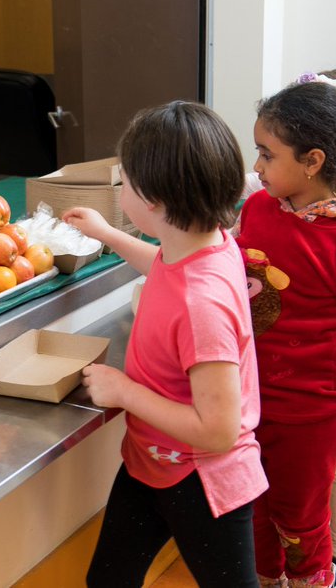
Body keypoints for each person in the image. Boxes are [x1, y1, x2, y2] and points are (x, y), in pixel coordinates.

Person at [63, 101, 267, 588]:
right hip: (151, 461)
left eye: (124, 183)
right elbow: (162, 265)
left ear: (152, 200)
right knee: (109, 579)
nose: (121, 190)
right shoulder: (206, 243)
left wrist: (123, 391)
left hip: (204, 480)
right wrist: (108, 234)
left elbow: (218, 430)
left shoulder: (204, 305)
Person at [236, 81, 336, 587]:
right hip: (246, 400)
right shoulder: (258, 210)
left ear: (312, 161)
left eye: (267, 154)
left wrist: (320, 352)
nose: (258, 166)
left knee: (301, 522)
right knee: (255, 509)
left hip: (309, 413)